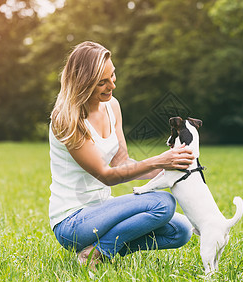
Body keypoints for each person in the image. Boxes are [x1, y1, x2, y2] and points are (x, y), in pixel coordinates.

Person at [49, 41, 194, 269]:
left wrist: (173, 166)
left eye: (113, 76)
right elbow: (107, 175)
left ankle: (98, 249)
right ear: (83, 83)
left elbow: (122, 163)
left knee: (181, 231)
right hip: (73, 222)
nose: (112, 86)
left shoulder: (112, 106)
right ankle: (96, 254)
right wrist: (159, 159)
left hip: (103, 209)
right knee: (163, 203)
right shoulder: (67, 119)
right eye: (102, 82)